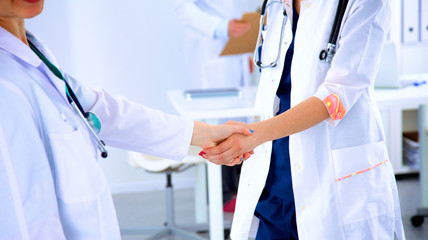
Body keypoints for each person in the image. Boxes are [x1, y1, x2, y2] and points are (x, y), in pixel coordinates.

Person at [0, 0, 253, 238]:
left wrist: (202, 134)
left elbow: (107, 112)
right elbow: (28, 221)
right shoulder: (6, 86)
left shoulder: (35, 54)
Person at [201, 0, 406, 239]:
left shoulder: (365, 3)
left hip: (332, 184)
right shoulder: (275, 6)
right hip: (271, 180)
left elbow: (336, 97)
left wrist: (253, 135)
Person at [173, 0, 255, 211]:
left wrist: (244, 52)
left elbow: (228, 10)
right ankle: (223, 195)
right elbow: (183, 9)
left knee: (238, 125)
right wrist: (222, 28)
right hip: (209, 54)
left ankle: (237, 190)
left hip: (230, 54)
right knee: (217, 128)